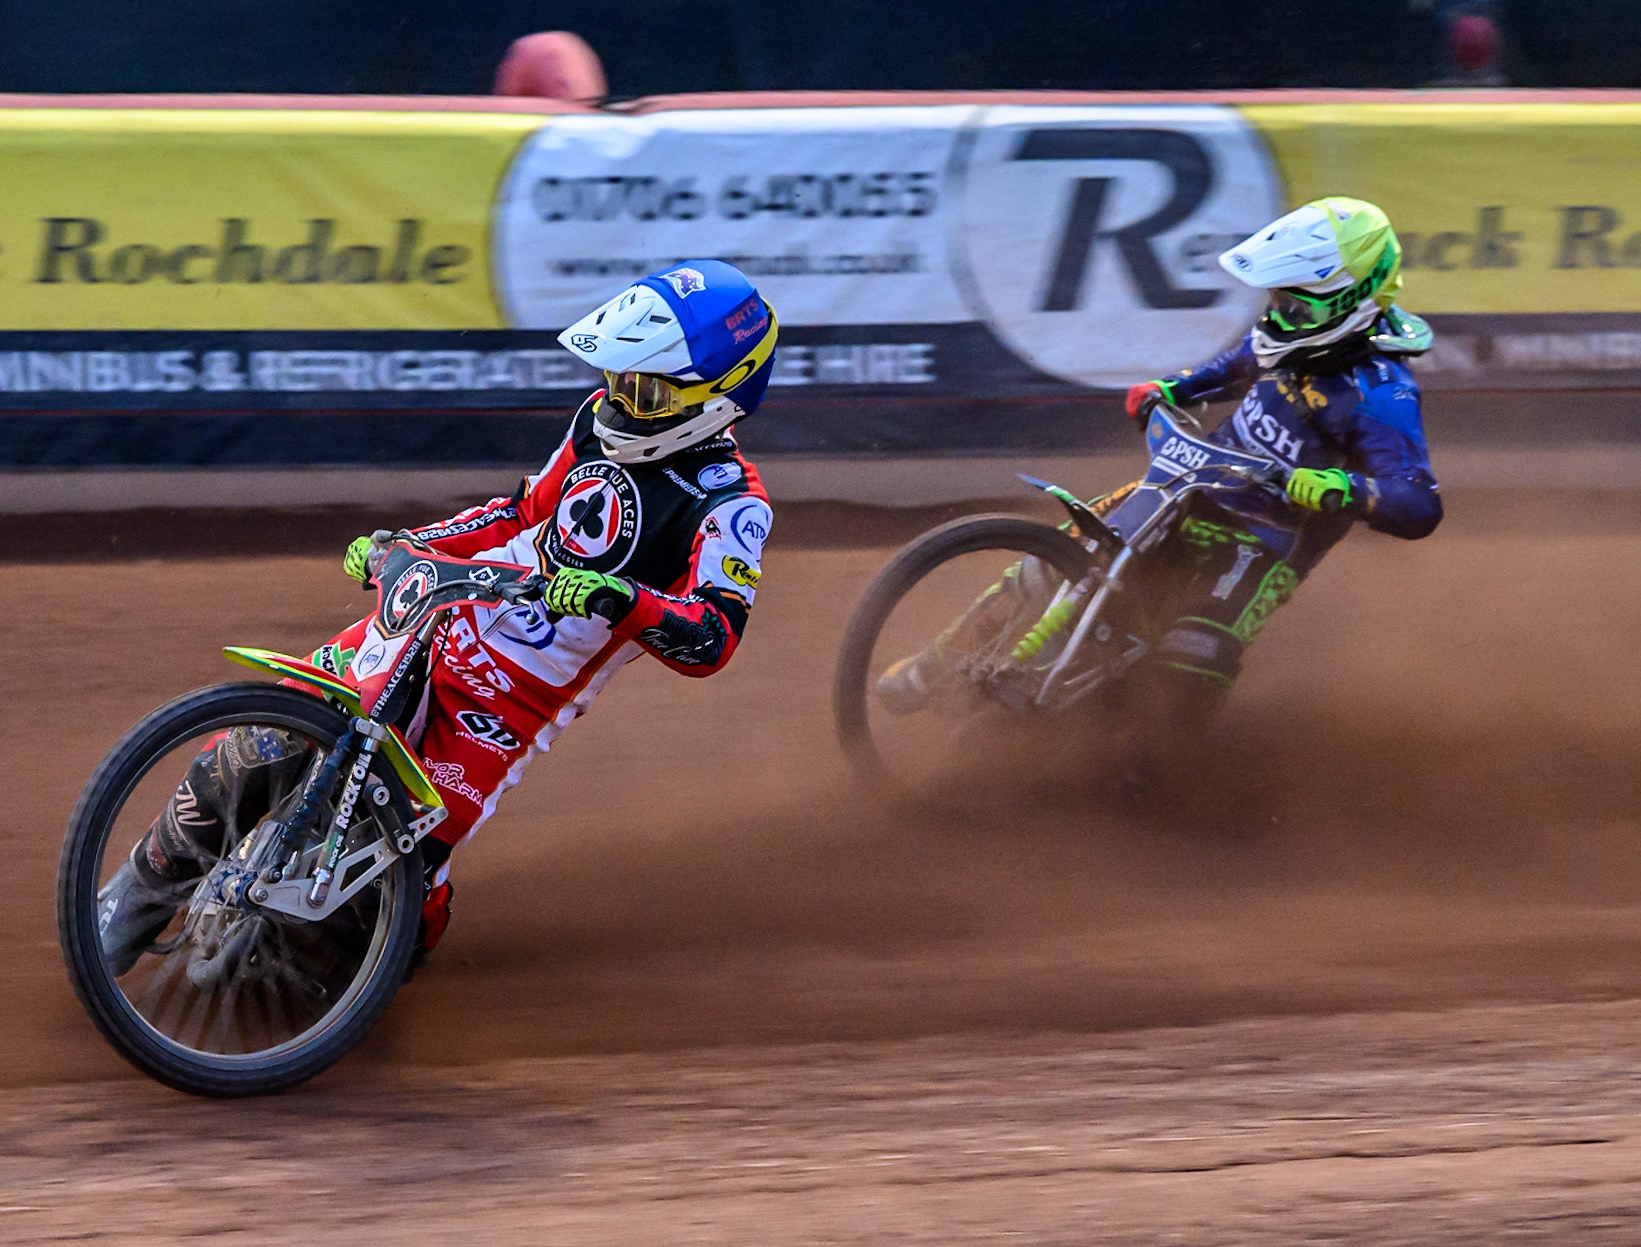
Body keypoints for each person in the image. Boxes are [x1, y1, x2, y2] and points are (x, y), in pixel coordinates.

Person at [97, 260, 779, 974]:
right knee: (267, 739)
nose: (614, 398)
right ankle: (135, 896)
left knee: (393, 880)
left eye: (640, 387)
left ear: (716, 400)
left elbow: (713, 636)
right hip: (438, 614)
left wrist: (622, 599)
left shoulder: (731, 504)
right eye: (615, 377)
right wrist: (411, 543)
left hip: (504, 706)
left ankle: (338, 982)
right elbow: (517, 513)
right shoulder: (594, 423)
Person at [877, 196, 1442, 732]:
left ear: (1353, 299)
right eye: (1277, 299)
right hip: (1187, 485)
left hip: (1260, 542)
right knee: (1044, 567)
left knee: (1190, 662)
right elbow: (1237, 364)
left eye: (1295, 303)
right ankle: (935, 664)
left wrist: (1336, 487)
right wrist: (1170, 389)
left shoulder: (1379, 395)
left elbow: (1419, 502)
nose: (1279, 314)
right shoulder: (1292, 336)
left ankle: (1158, 773)